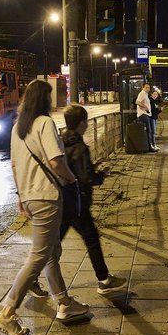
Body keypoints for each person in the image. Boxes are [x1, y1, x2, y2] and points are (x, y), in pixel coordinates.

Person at [0, 79, 89, 335]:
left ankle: (64, 303)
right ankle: (7, 313)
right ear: (43, 100)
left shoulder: (17, 128)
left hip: (31, 197)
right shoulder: (45, 123)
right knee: (39, 255)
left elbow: (14, 165)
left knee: (51, 251)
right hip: (47, 196)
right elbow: (56, 162)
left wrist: (21, 197)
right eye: (49, 96)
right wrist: (72, 179)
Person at [58, 105, 127, 295]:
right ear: (81, 123)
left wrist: (91, 166)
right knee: (92, 239)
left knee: (53, 243)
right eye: (86, 121)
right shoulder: (79, 147)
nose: (87, 124)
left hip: (66, 200)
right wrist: (101, 174)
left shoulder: (62, 142)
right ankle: (104, 280)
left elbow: (73, 168)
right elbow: (86, 178)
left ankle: (32, 277)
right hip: (78, 203)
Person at [135, 83, 158, 152]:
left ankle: (149, 146)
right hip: (143, 114)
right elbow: (137, 102)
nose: (148, 89)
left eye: (149, 88)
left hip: (147, 114)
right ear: (143, 88)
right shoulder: (142, 93)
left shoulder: (146, 94)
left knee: (149, 131)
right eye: (146, 87)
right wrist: (145, 107)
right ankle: (150, 146)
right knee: (149, 131)